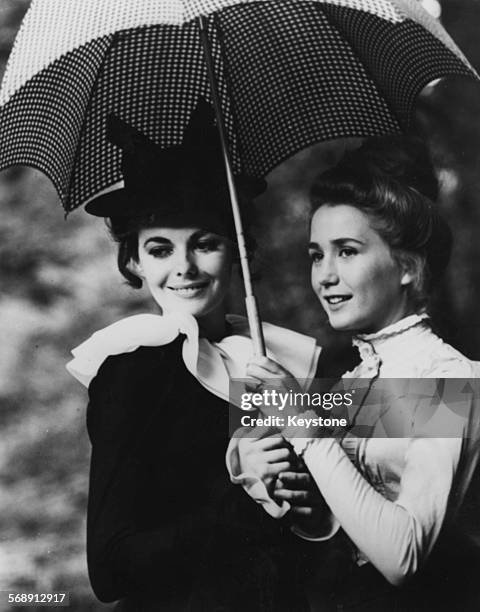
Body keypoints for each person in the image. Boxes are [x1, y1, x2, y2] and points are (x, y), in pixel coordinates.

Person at [66, 100, 322, 611]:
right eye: (160, 249)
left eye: (205, 243)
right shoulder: (130, 372)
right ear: (135, 262)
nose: (183, 267)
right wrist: (244, 497)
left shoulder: (270, 363)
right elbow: (110, 568)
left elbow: (433, 416)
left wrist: (455, 390)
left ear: (240, 251)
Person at [235, 136, 480, 610]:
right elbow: (345, 525)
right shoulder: (352, 384)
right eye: (315, 255)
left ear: (408, 265)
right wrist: (301, 499)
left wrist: (305, 427)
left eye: (346, 251)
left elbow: (402, 556)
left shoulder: (446, 378)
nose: (324, 276)